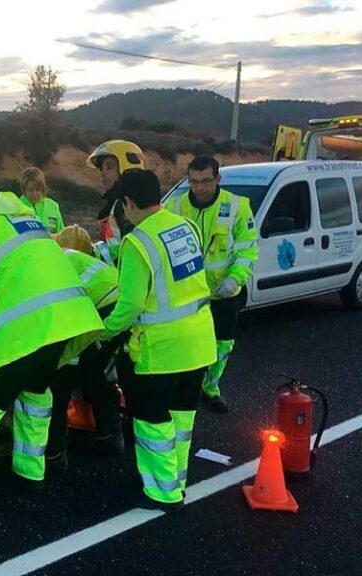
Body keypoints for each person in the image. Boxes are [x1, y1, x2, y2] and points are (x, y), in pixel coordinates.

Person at [0, 186, 104, 509]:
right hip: (64, 320)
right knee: (34, 394)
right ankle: (30, 474)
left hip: (23, 324)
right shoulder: (19, 217)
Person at [100, 169, 216, 511]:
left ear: (128, 202)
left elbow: (130, 305)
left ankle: (161, 493)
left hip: (160, 351)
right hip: (198, 343)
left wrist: (103, 331)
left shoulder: (137, 242)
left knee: (152, 420)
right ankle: (175, 479)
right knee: (182, 418)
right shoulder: (186, 226)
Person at [165, 156, 259, 413]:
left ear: (218, 179)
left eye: (206, 181)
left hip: (224, 293)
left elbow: (248, 249)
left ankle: (211, 388)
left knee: (222, 344)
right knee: (186, 343)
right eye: (194, 182)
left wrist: (234, 279)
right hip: (187, 293)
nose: (200, 188)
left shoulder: (237, 206)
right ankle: (187, 387)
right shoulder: (174, 206)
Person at [46, 225, 123, 472]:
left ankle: (54, 454)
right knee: (94, 372)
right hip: (119, 301)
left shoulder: (47, 263)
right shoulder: (64, 255)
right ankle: (110, 436)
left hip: (102, 308)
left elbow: (60, 315)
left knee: (60, 380)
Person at [86, 140, 145, 265]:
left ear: (126, 168)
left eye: (109, 167)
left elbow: (134, 256)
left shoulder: (129, 205)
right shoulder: (116, 203)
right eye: (101, 168)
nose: (102, 172)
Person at [19, 167, 65, 234]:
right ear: (24, 190)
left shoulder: (53, 206)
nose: (34, 194)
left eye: (37, 190)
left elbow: (62, 235)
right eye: (30, 190)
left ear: (42, 189)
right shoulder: (17, 208)